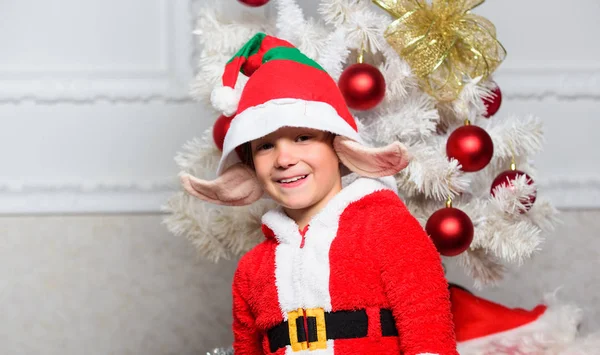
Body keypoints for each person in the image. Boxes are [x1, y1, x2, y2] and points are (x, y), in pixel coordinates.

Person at [181, 32, 458, 355]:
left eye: (302, 138)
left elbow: (429, 338)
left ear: (339, 145)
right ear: (250, 167)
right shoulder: (252, 271)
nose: (284, 159)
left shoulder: (388, 229)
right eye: (266, 146)